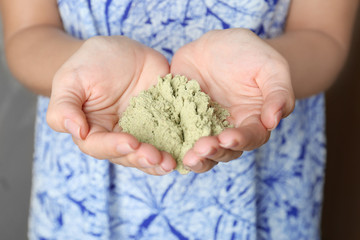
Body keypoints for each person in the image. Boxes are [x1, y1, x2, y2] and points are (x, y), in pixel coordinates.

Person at [0, 0, 357, 239]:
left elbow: (324, 36)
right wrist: (77, 69)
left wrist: (266, 69)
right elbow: (26, 32)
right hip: (87, 179)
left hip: (260, 171)